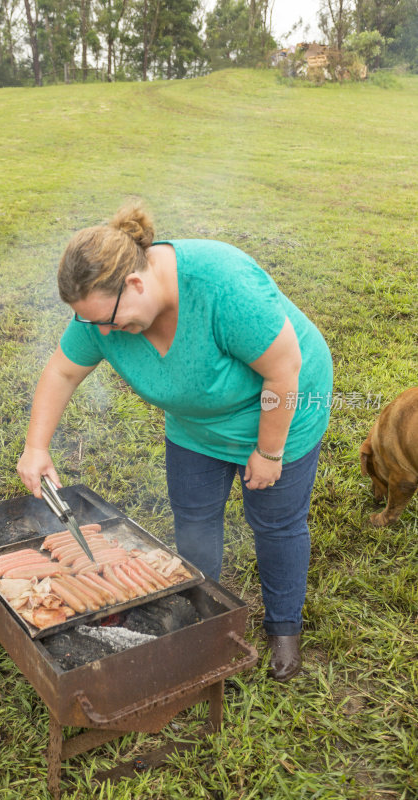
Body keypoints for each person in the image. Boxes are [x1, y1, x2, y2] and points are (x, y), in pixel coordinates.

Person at [17, 202, 333, 682]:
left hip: (281, 407)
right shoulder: (103, 313)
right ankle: (198, 604)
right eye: (91, 324)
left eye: (109, 321)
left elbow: (283, 372)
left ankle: (283, 626)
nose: (103, 333)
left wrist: (269, 453)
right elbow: (62, 370)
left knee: (274, 522)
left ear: (136, 285)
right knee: (194, 513)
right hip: (196, 421)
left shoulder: (222, 285)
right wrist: (36, 448)